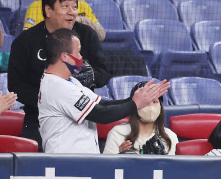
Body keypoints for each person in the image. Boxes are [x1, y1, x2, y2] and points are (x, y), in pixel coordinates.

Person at [9, 0, 111, 150]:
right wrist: (50, 101)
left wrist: (92, 76)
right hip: (39, 119)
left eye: (74, 7)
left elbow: (104, 72)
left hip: (80, 118)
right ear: (48, 11)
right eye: (65, 7)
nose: (72, 12)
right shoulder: (24, 42)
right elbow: (16, 85)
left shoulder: (87, 35)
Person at [38, 29, 169, 154]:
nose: (81, 57)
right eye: (78, 52)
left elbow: (103, 104)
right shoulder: (57, 87)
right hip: (65, 163)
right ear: (65, 56)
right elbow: (101, 114)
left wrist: (139, 100)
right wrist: (135, 104)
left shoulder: (70, 81)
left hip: (79, 161)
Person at [103, 81, 178, 155]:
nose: (150, 107)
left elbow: (172, 167)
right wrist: (119, 157)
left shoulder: (170, 136)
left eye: (155, 102)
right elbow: (107, 166)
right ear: (134, 105)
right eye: (145, 102)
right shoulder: (117, 133)